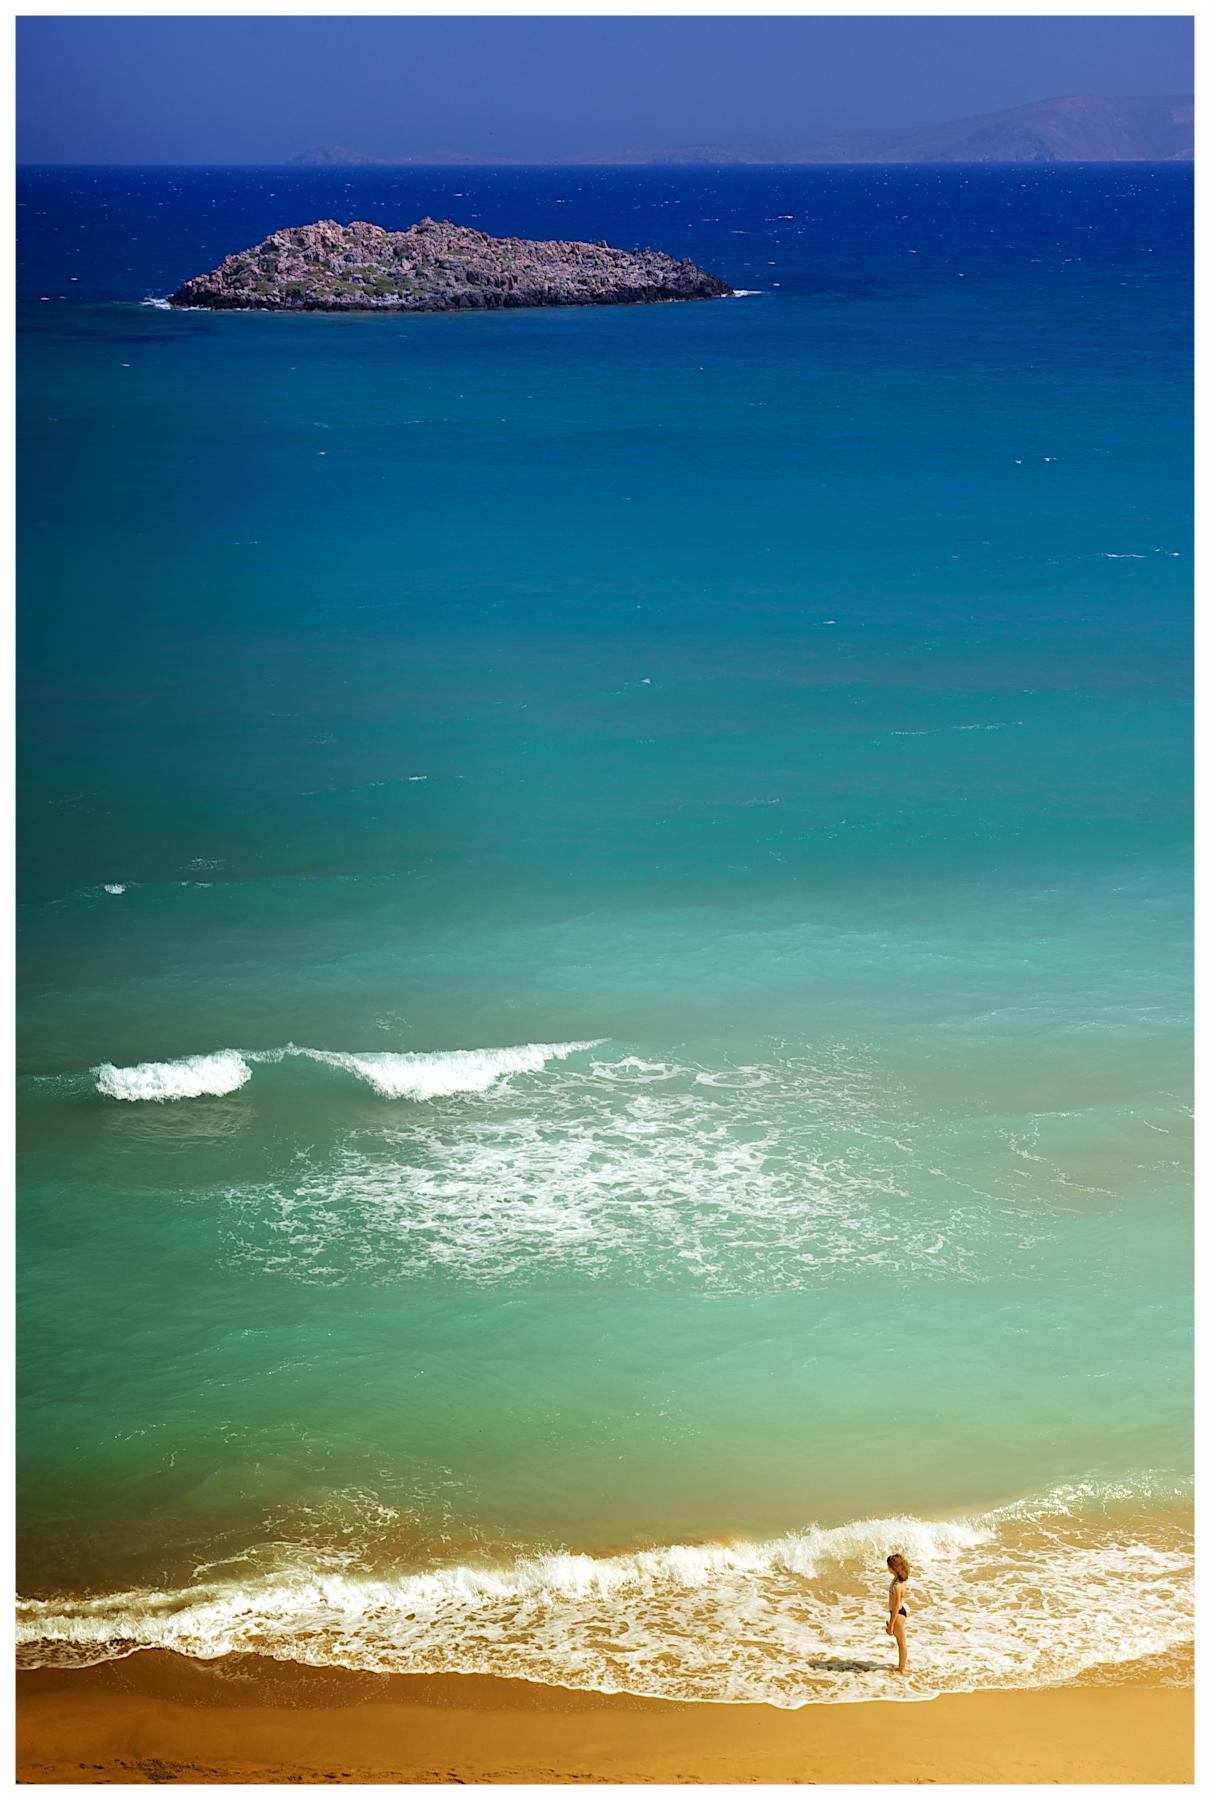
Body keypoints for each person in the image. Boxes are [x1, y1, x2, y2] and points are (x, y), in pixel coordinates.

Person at [885, 1553, 910, 1674]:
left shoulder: (897, 1586)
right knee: (900, 1642)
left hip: (898, 1613)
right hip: (898, 1612)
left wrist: (891, 1624)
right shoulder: (899, 1580)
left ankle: (902, 1669)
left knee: (901, 1643)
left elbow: (896, 1606)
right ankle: (901, 1666)